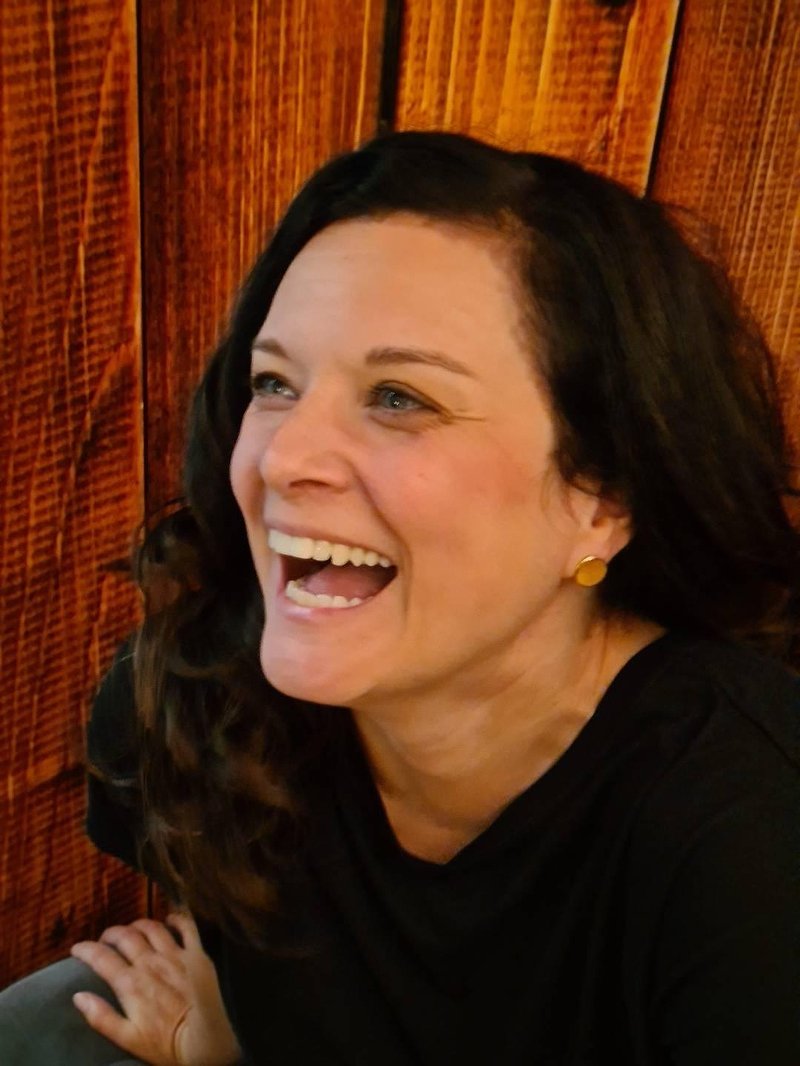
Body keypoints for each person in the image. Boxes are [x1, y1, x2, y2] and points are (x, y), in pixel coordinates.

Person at [3, 131, 798, 1065]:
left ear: (603, 499)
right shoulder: (194, 694)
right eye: (274, 383)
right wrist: (236, 1033)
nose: (282, 458)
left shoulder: (747, 832)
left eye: (398, 398)